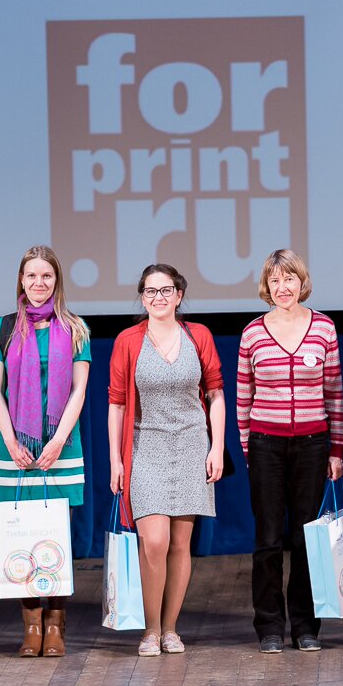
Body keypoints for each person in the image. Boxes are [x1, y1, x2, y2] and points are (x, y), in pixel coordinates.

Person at [108, 264, 227, 657]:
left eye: (166, 290)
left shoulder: (199, 335)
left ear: (179, 295)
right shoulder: (128, 340)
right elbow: (116, 403)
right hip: (146, 446)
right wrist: (116, 460)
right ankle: (150, 629)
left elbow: (215, 393)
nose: (158, 298)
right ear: (142, 298)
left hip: (191, 445)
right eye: (150, 291)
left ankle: (171, 629)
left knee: (179, 544)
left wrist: (216, 447)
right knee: (154, 541)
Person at [236, 249, 343, 654]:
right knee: (267, 540)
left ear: (302, 282)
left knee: (305, 538)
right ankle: (269, 626)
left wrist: (336, 449)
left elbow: (334, 392)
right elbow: (243, 395)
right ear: (267, 286)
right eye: (275, 280)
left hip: (312, 446)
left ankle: (305, 625)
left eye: (290, 279)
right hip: (265, 445)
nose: (283, 287)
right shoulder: (252, 333)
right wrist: (248, 447)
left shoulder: (324, 328)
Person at [0, 245, 90, 657]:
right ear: (21, 280)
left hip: (62, 445)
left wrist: (59, 440)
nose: (39, 283)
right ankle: (30, 625)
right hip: (15, 448)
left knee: (55, 538)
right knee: (21, 537)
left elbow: (79, 391)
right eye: (31, 275)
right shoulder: (3, 328)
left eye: (46, 276)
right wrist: (11, 441)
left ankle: (56, 625)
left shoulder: (75, 327)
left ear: (56, 281)